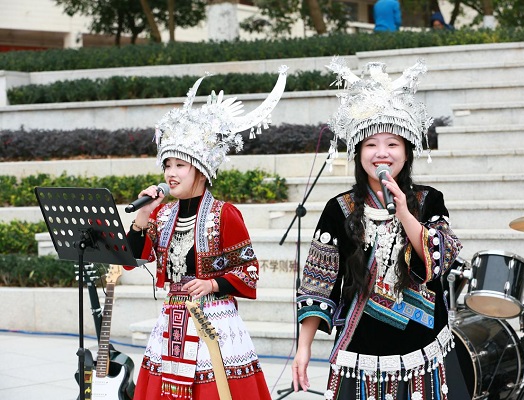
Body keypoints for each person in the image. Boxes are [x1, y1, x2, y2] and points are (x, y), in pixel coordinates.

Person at [291, 58, 470, 400]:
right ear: (359, 153)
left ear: (406, 153)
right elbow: (318, 282)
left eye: (392, 144)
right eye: (371, 145)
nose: (381, 153)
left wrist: (403, 211)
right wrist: (304, 347)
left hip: (425, 350)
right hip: (361, 352)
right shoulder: (339, 209)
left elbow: (440, 257)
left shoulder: (429, 200)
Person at [126, 66, 288, 400]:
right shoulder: (162, 212)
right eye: (167, 165)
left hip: (214, 321)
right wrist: (141, 217)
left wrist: (213, 283)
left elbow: (250, 270)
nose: (170, 173)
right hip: (172, 317)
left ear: (200, 170)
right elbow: (132, 259)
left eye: (179, 165)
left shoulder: (224, 214)